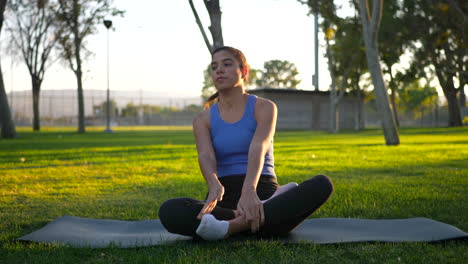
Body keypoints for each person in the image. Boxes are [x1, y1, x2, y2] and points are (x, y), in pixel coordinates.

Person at [158, 46, 333, 240]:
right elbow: (205, 155)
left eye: (226, 64)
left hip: (261, 189)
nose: (219, 70)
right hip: (223, 198)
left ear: (244, 71)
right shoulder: (202, 119)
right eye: (214, 66)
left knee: (322, 184)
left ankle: (230, 227)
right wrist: (213, 183)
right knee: (170, 210)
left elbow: (259, 145)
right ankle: (258, 220)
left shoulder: (265, 107)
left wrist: (249, 190)